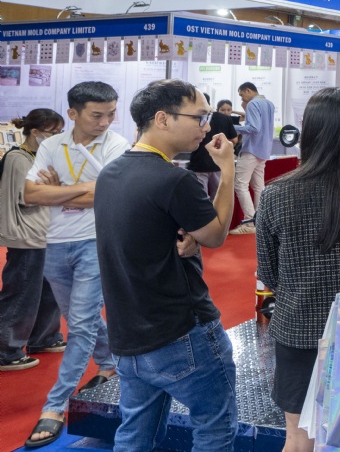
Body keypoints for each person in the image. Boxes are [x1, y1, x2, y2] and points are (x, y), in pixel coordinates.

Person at [94, 79, 238, 452]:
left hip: (128, 335)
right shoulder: (174, 180)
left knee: (135, 434)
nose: (207, 127)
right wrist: (228, 171)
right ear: (162, 119)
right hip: (180, 331)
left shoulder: (110, 173)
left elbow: (145, 235)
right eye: (199, 117)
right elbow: (215, 234)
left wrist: (188, 238)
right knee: (215, 427)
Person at [255, 87, 340, 452]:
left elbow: (269, 274)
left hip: (298, 330)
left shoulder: (276, 193)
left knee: (298, 440)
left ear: (309, 131)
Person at [23, 82, 129, 448]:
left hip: (96, 242)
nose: (105, 122)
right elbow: (30, 193)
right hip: (55, 243)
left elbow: (111, 193)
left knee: (80, 325)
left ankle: (54, 406)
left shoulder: (116, 144)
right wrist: (84, 190)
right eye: (97, 115)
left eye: (111, 114)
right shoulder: (53, 145)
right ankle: (110, 363)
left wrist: (59, 192)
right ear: (73, 113)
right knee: (79, 317)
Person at [0, 109, 65, 372]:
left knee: (50, 289)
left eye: (60, 132)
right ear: (35, 132)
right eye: (53, 132)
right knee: (22, 292)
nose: (58, 137)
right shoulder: (18, 158)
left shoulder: (42, 156)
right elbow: (27, 197)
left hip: (48, 232)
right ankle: (6, 350)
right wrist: (58, 190)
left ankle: (44, 337)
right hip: (26, 235)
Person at [231, 82, 276, 234]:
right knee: (258, 187)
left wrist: (232, 127)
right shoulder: (269, 103)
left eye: (242, 95)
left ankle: (250, 222)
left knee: (240, 185)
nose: (241, 98)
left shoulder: (253, 104)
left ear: (248, 90)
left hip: (251, 149)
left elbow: (254, 128)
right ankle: (259, 221)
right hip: (264, 150)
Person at [187, 95, 240, 198]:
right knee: (218, 196)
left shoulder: (192, 118)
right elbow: (234, 140)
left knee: (201, 197)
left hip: (198, 162)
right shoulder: (225, 118)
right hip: (218, 162)